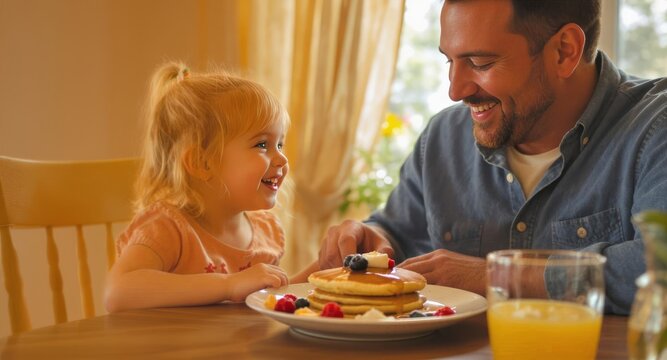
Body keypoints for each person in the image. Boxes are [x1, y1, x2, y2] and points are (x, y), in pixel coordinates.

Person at [318, 0, 667, 315]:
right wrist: (371, 237)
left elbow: (658, 270)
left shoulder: (655, 128)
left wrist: (497, 275)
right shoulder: (443, 138)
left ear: (564, 51)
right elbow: (396, 233)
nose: (455, 90)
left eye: (480, 62)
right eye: (449, 61)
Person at [105, 62, 291, 312]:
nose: (281, 158)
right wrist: (228, 285)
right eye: (261, 145)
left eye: (280, 144)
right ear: (203, 163)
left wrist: (322, 268)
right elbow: (118, 293)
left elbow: (273, 299)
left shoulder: (265, 232)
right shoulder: (169, 228)